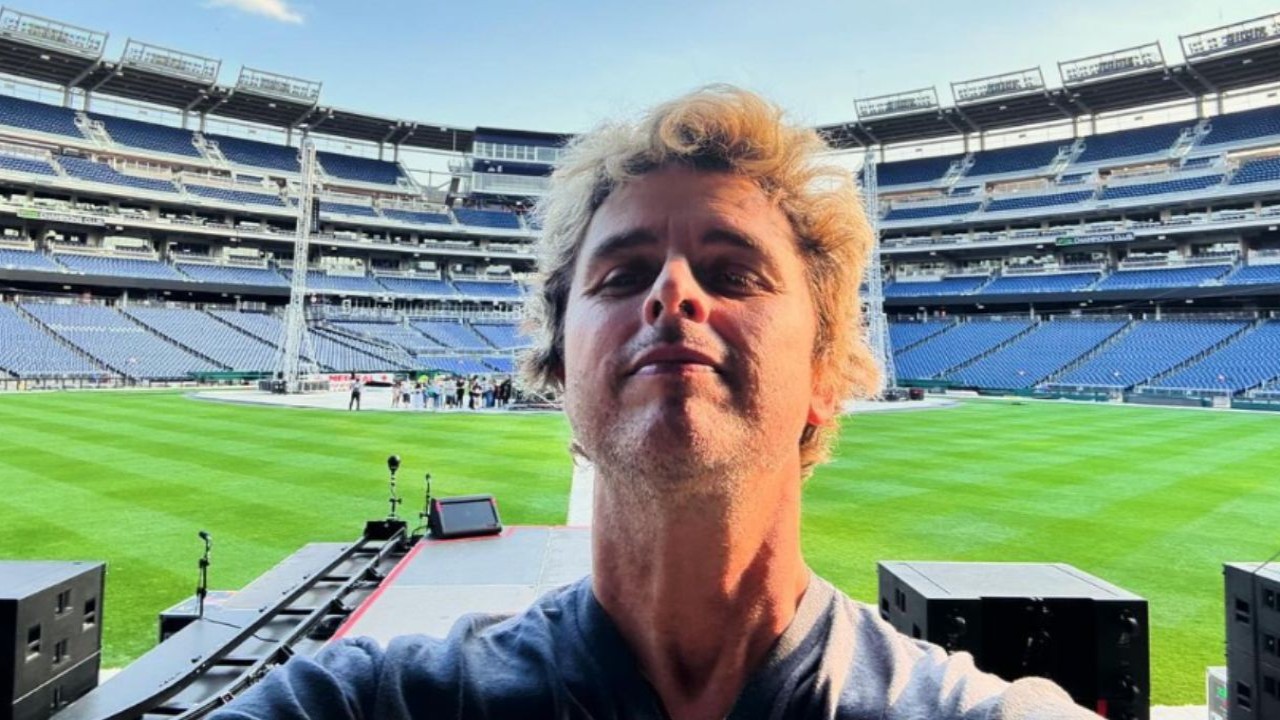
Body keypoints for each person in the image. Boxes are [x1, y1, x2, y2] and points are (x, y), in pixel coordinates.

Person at [212, 86, 1096, 719]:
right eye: (624, 274)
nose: (672, 293)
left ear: (828, 373)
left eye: (731, 272)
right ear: (557, 366)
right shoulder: (372, 702)